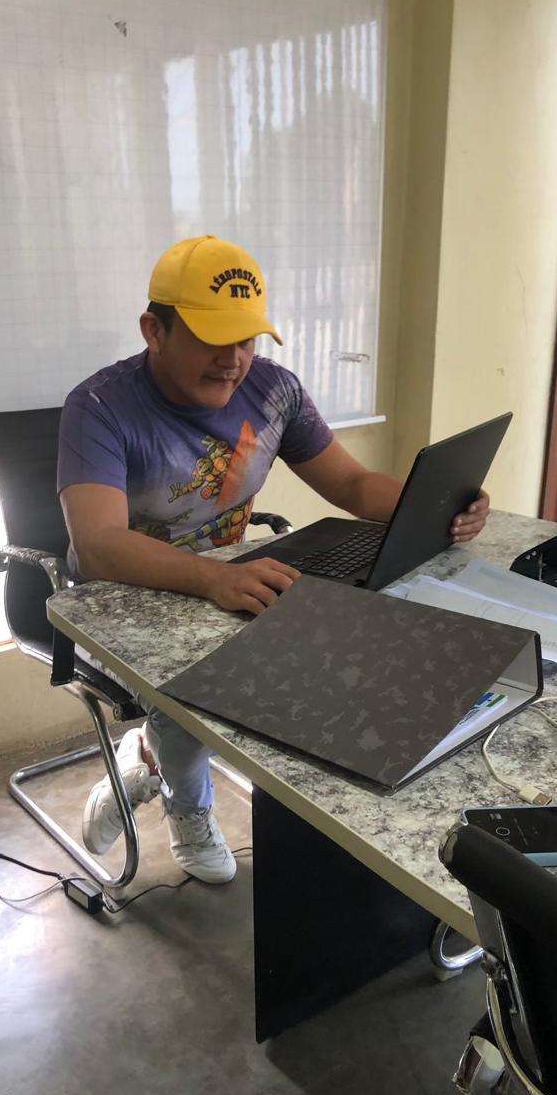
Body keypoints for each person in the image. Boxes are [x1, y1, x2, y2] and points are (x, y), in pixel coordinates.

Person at [57, 235, 489, 885]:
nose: (233, 360)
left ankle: (150, 755)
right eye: (212, 338)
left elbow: (351, 485)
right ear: (154, 330)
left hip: (228, 579)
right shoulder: (99, 408)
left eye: (247, 339)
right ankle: (185, 802)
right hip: (117, 600)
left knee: (344, 645)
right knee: (201, 682)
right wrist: (215, 578)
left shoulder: (273, 390)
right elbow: (98, 544)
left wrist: (444, 505)